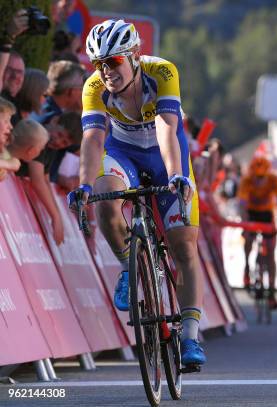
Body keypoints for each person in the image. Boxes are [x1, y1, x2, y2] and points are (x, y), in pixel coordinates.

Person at [67, 20, 206, 366]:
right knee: (105, 197)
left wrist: (176, 175)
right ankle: (129, 264)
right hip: (122, 152)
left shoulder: (161, 72)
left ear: (134, 55)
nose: (105, 71)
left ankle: (190, 336)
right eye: (98, 63)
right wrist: (83, 184)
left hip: (165, 152)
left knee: (184, 245)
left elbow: (166, 127)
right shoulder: (94, 87)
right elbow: (93, 139)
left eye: (113, 62)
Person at [238, 155, 277, 310]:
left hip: (267, 215)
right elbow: (242, 206)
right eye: (256, 177)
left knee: (271, 253)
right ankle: (246, 265)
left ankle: (271, 291)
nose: (258, 181)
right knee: (248, 241)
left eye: (261, 177)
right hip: (251, 214)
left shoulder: (274, 179)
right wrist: (245, 227)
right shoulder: (246, 180)